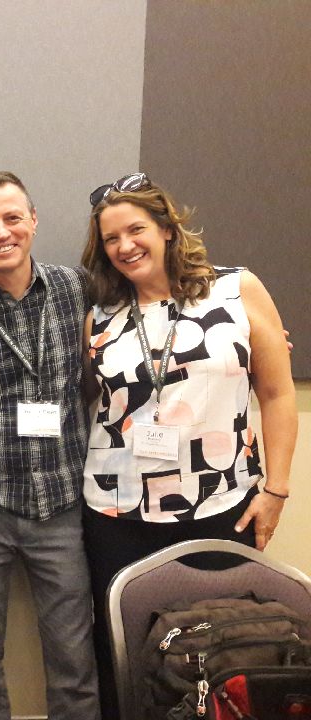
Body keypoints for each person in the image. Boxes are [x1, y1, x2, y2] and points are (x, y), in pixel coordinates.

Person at [81, 173, 297, 718]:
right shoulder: (99, 317)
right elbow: (89, 401)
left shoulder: (236, 289)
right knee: (125, 648)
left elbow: (275, 392)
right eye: (111, 239)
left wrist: (276, 490)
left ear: (167, 229)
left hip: (220, 501)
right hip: (116, 510)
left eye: (136, 230)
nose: (125, 246)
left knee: (222, 637)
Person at [0, 172, 100, 720]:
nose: (1, 232)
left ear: (33, 221)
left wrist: (253, 324)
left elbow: (154, 297)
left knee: (72, 658)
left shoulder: (77, 287)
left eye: (12, 218)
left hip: (61, 501)